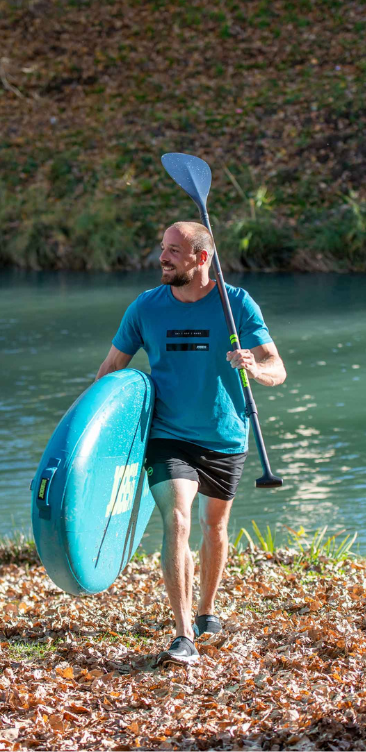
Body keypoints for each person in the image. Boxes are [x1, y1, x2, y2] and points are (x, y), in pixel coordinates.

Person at [95, 221, 286, 666]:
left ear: (202, 258)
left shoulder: (234, 303)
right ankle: (183, 635)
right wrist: (95, 433)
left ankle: (206, 611)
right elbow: (110, 370)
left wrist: (253, 369)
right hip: (167, 434)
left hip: (224, 433)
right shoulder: (146, 308)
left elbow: (277, 368)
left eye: (174, 251)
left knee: (213, 526)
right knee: (178, 520)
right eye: (162, 248)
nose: (162, 257)